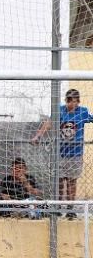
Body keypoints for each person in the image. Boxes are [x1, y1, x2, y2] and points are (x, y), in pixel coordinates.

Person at [31, 89, 92, 218]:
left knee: (71, 181)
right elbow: (49, 123)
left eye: (73, 101)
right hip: (60, 153)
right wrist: (38, 136)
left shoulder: (83, 112)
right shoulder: (60, 110)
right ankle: (58, 206)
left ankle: (70, 209)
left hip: (75, 154)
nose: (70, 104)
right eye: (68, 101)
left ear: (77, 102)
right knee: (59, 181)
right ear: (66, 100)